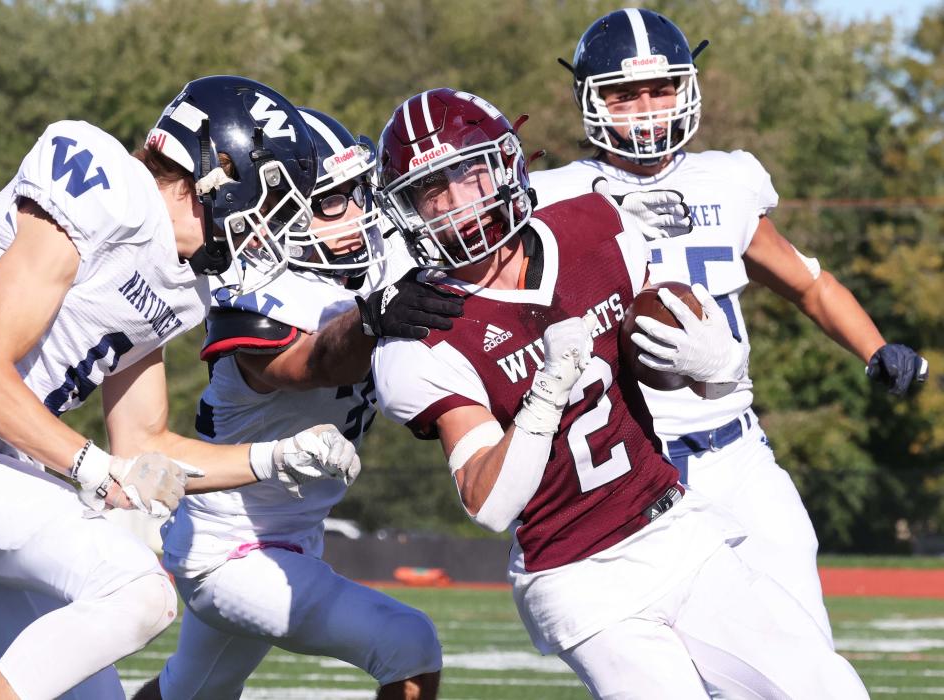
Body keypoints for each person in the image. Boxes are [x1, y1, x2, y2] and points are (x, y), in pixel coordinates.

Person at [370, 86, 869, 698]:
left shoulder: (595, 229)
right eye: (430, 190)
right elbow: (491, 504)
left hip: (674, 527)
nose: (454, 204)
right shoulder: (423, 337)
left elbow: (685, 358)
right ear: (406, 209)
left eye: (466, 175)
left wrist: (721, 361)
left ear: (504, 165)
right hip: (578, 574)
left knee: (828, 689)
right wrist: (548, 389)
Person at [531, 6, 929, 645]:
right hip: (630, 467)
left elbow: (808, 282)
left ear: (688, 88)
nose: (648, 108)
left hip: (737, 453)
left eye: (661, 89)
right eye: (624, 94)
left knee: (807, 653)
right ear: (590, 100)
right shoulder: (548, 198)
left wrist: (874, 345)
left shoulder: (729, 180)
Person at [0, 75, 367, 700]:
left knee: (89, 694)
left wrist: (272, 458)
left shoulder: (181, 281)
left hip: (1, 466)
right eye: (276, 201)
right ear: (222, 171)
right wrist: (94, 469)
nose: (276, 227)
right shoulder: (103, 185)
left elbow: (142, 443)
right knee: (137, 588)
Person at [131, 108, 455, 700]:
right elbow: (311, 364)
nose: (358, 216)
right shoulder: (248, 289)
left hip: (292, 534)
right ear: (276, 208)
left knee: (190, 693)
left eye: (359, 192)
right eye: (332, 200)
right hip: (227, 553)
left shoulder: (381, 258)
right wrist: (372, 321)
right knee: (409, 644)